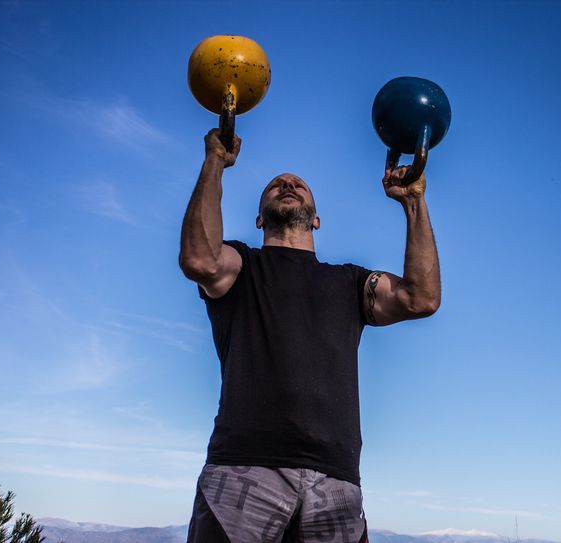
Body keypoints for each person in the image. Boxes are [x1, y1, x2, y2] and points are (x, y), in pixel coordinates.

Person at [179, 129, 441, 543]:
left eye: (298, 184)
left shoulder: (351, 282)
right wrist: (215, 162)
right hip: (245, 469)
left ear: (316, 218)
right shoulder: (241, 265)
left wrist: (414, 202)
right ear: (260, 218)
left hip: (336, 482)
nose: (288, 184)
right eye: (276, 185)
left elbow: (420, 298)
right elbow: (198, 259)